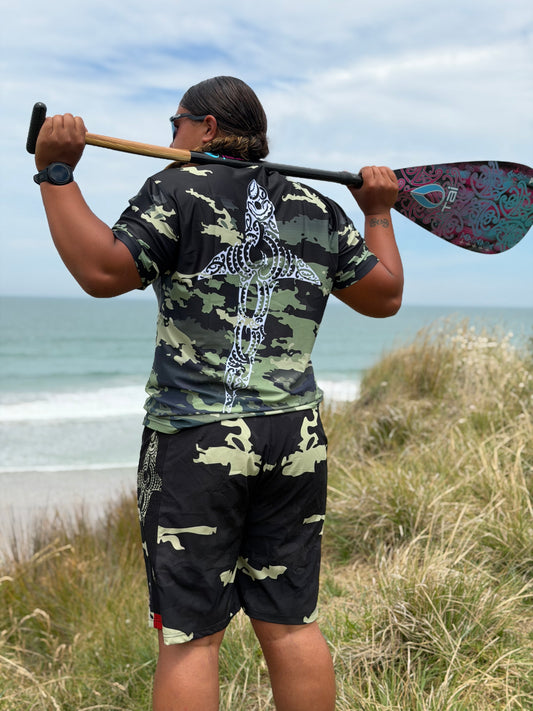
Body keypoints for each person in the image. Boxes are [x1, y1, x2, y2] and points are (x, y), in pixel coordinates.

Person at [33, 76, 403, 711]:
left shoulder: (177, 190)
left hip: (197, 438)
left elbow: (102, 270)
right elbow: (385, 295)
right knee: (291, 623)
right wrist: (376, 213)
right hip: (295, 440)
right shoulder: (317, 207)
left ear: (206, 127)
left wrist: (57, 174)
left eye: (174, 122)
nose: (169, 135)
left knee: (192, 638)